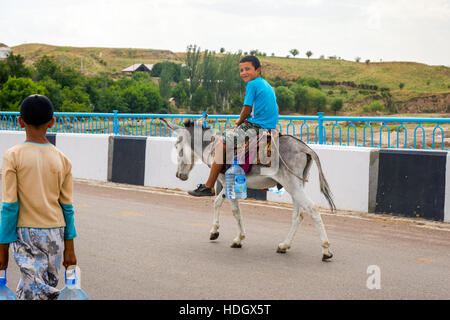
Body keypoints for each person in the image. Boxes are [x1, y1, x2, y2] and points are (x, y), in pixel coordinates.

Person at [0, 94, 77, 300]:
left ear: (20, 121)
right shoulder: (63, 159)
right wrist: (70, 248)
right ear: (52, 122)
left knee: (35, 289)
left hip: (26, 234)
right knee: (41, 284)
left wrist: (3, 248)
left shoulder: (13, 155)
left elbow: (9, 205)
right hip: (56, 234)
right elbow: (67, 207)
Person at [188, 55, 279, 196]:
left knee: (220, 143)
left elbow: (246, 108)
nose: (244, 73)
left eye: (247, 69)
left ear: (258, 70)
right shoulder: (266, 84)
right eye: (241, 70)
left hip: (256, 126)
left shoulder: (252, 84)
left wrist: (239, 121)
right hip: (270, 126)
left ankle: (209, 186)